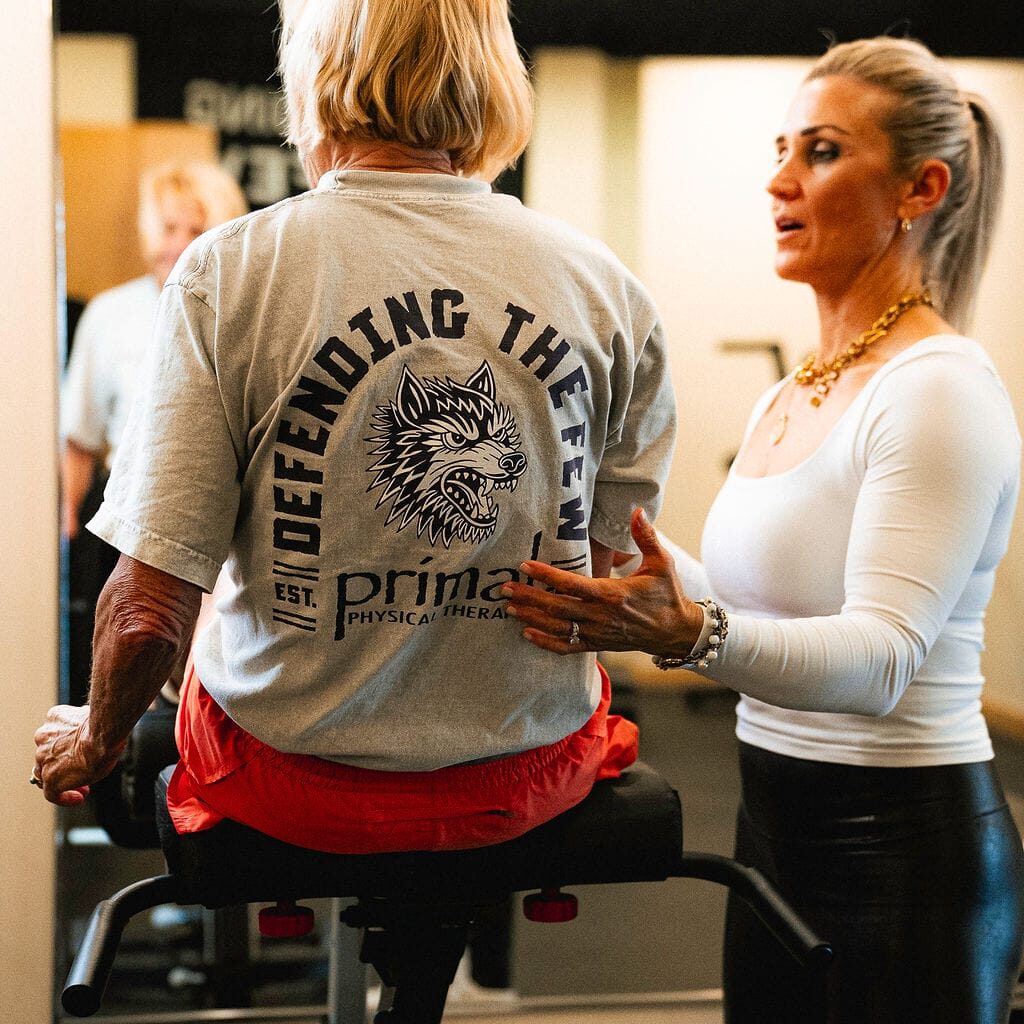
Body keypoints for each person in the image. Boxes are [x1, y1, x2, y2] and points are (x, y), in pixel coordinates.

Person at [35, 0, 675, 937]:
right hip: (527, 774)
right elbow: (601, 578)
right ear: (494, 81)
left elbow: (147, 614)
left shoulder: (230, 273)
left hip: (289, 780)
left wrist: (92, 739)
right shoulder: (607, 288)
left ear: (313, 81)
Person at [500, 36, 1024, 1024]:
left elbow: (880, 660)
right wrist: (632, 558)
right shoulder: (792, 392)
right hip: (773, 836)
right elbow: (761, 606)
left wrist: (689, 634)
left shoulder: (939, 389)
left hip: (902, 852)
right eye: (781, 151)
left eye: (821, 152)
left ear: (921, 188)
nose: (780, 180)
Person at [61, 160, 249, 704]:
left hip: (223, 515)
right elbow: (79, 439)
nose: (179, 244)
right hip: (126, 513)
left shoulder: (246, 313)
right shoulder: (110, 314)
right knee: (123, 667)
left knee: (205, 675)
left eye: (197, 228)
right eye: (168, 228)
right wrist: (65, 526)